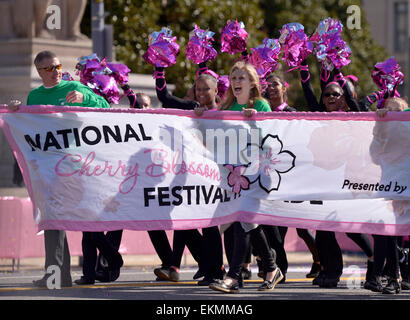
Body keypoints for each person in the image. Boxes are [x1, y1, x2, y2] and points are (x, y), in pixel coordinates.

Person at [7, 50, 111, 288]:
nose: (55, 72)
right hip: (49, 167)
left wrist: (86, 99)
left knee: (85, 218)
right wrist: (17, 111)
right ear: (39, 72)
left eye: (57, 66)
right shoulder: (35, 96)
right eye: (48, 69)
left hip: (79, 165)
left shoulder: (74, 87)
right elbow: (31, 126)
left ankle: (106, 260)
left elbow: (105, 107)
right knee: (53, 218)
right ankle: (58, 274)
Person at [207, 61, 283, 294]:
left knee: (243, 219)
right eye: (234, 77)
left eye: (242, 78)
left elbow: (271, 138)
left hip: (256, 173)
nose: (236, 81)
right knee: (249, 221)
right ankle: (272, 269)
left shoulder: (260, 104)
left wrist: (255, 121)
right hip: (235, 174)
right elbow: (212, 132)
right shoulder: (227, 105)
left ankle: (232, 277)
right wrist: (201, 115)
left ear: (253, 84)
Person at [298, 60, 375, 288]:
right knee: (322, 230)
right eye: (327, 94)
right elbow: (308, 92)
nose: (331, 97)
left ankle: (374, 260)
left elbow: (353, 102)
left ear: (344, 97)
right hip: (322, 181)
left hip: (348, 181)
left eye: (336, 94)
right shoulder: (318, 114)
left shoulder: (355, 116)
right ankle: (330, 270)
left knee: (351, 228)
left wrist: (336, 67)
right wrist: (303, 64)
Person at [364, 96, 409, 294]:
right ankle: (391, 277)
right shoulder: (384, 132)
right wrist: (380, 127)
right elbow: (374, 156)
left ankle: (402, 272)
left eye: (399, 111)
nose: (394, 114)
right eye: (390, 111)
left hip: (407, 187)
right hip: (390, 187)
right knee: (386, 231)